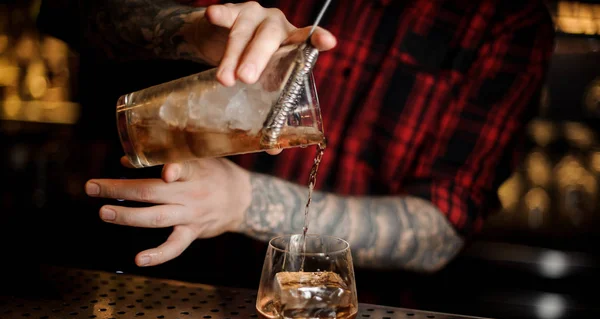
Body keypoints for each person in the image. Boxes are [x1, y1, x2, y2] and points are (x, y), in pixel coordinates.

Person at [36, 0, 555, 273]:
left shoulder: (508, 19)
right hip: (167, 286)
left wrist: (243, 201)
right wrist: (188, 28)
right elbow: (70, 12)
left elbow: (440, 230)